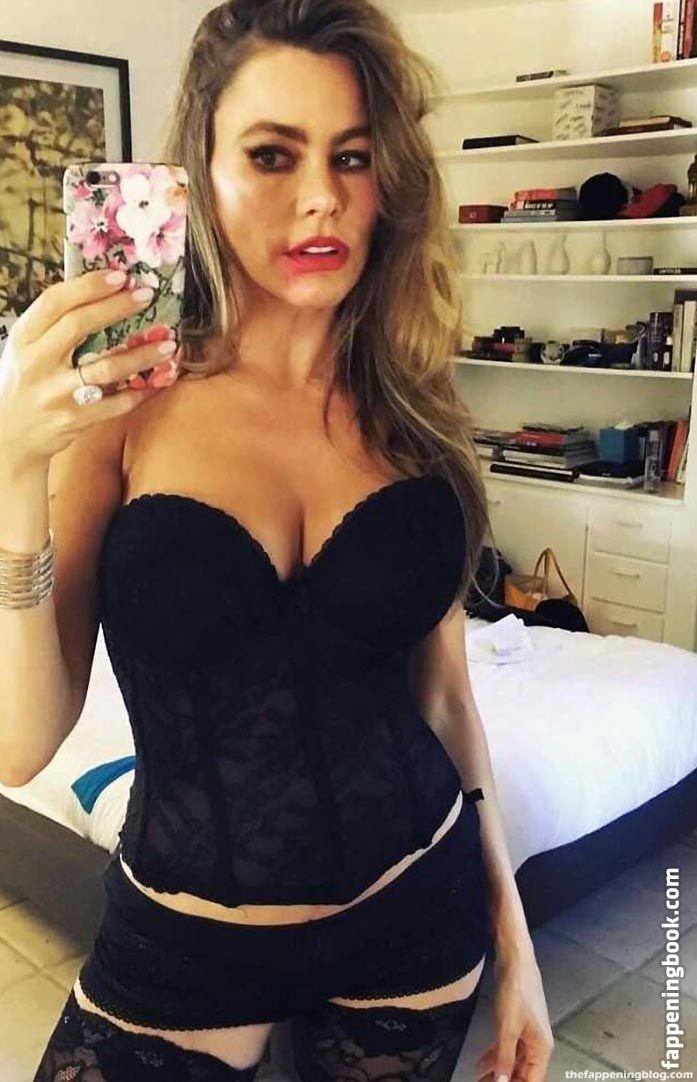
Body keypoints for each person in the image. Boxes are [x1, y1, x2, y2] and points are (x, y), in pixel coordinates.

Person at [0, 1, 553, 1078]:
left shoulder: (413, 405)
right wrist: (16, 465)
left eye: (352, 155)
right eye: (270, 154)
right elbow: (21, 745)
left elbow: (444, 698)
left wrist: (514, 935)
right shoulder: (125, 403)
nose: (320, 198)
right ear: (199, 174)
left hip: (416, 919)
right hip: (180, 944)